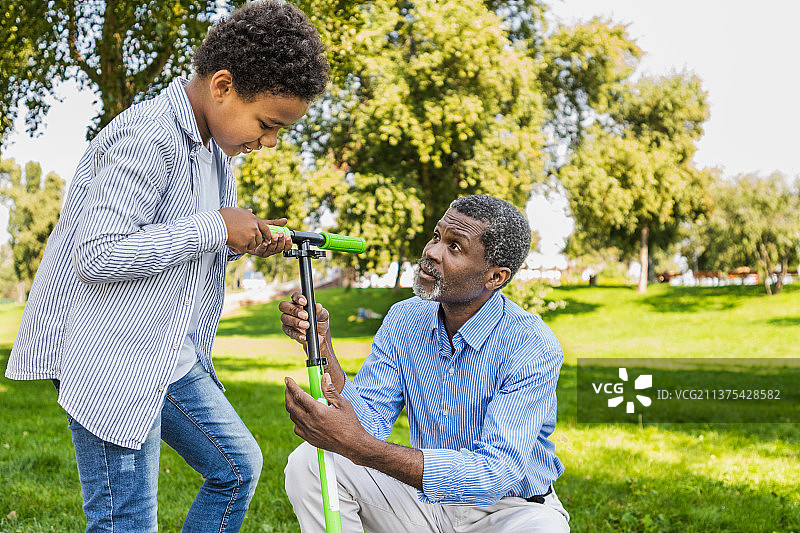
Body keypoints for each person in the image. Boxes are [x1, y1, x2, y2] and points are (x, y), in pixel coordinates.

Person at [4, 2, 329, 531]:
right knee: (127, 519)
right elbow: (98, 253)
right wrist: (215, 227)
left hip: (169, 354)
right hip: (112, 359)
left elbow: (176, 247)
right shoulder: (147, 137)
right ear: (222, 85)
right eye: (268, 125)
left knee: (236, 468)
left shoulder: (215, 150)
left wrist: (241, 240)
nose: (269, 142)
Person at [279, 195, 570, 533]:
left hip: (510, 511)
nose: (432, 252)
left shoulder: (530, 344)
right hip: (426, 502)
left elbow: (495, 473)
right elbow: (369, 418)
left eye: (455, 247)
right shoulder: (406, 317)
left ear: (495, 277)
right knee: (309, 464)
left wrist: (360, 447)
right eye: (436, 236)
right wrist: (322, 344)